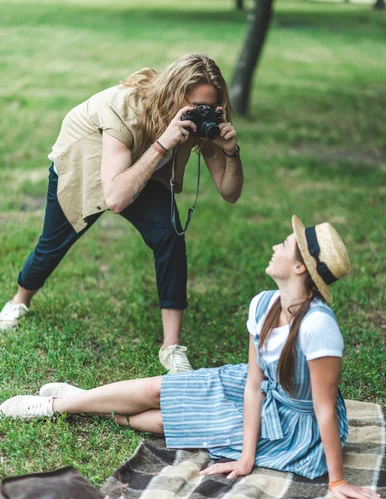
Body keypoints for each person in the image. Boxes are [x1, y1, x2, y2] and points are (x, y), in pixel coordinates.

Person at [0, 216, 384, 499]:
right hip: (257, 393)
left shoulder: (319, 328)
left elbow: (323, 410)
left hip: (295, 425)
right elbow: (253, 385)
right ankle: (55, 405)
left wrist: (336, 482)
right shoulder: (263, 304)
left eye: (284, 245)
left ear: (300, 267)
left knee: (164, 422)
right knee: (157, 388)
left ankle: (88, 403)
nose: (275, 248)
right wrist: (246, 457)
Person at [0, 53, 243, 373]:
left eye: (211, 108)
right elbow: (116, 197)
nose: (204, 115)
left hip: (144, 175)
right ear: (173, 96)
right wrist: (164, 143)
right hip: (85, 168)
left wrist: (230, 151)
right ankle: (20, 300)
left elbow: (230, 192)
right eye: (197, 107)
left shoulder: (201, 123)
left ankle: (171, 347)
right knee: (52, 245)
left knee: (170, 234)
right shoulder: (123, 108)